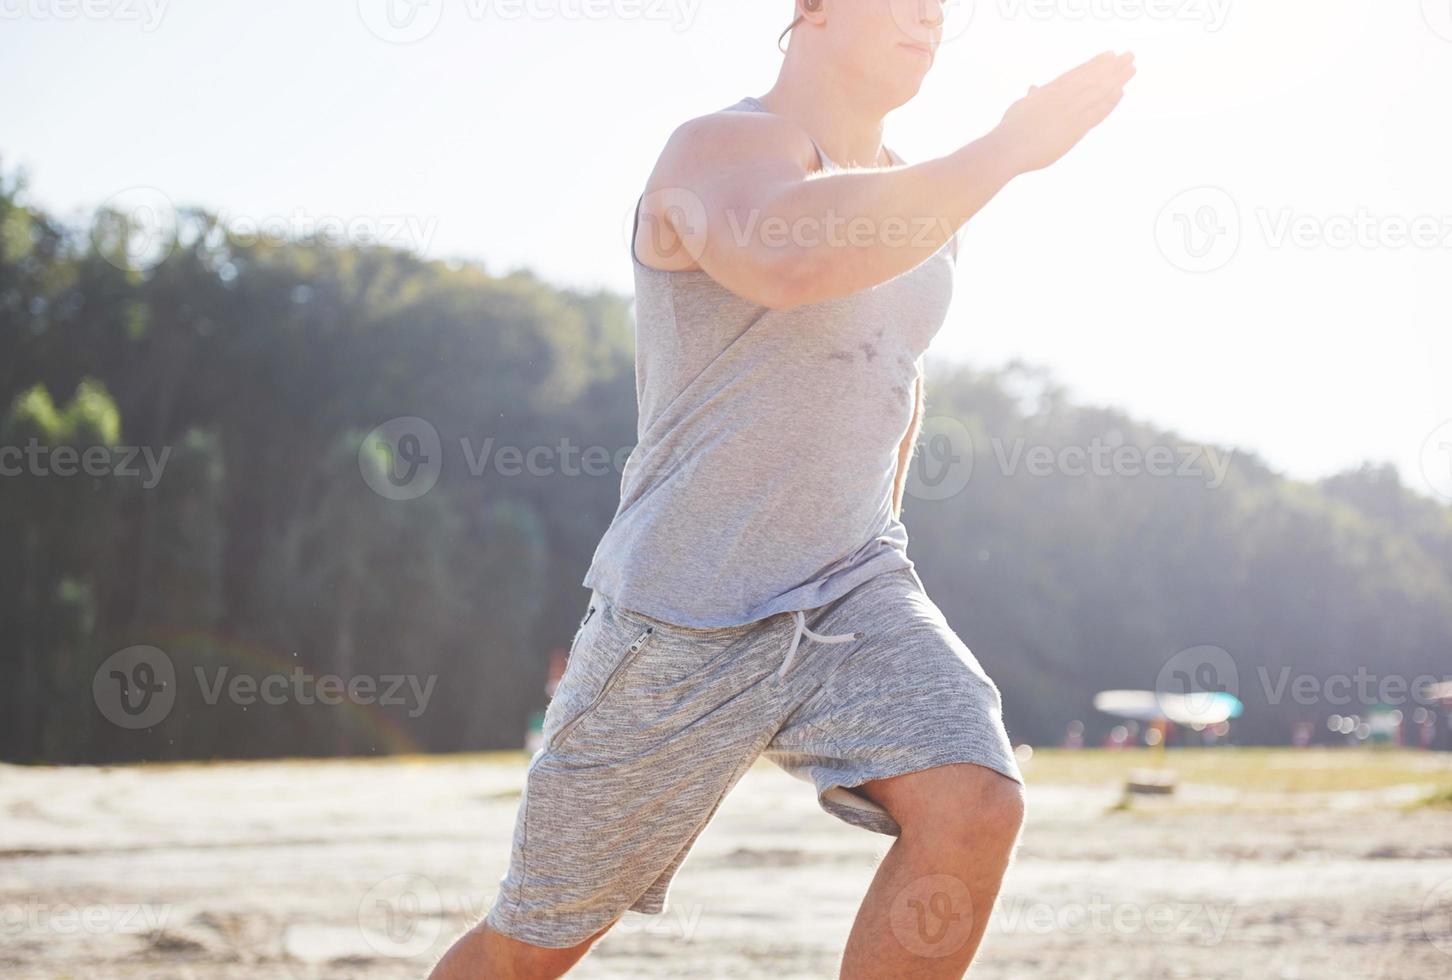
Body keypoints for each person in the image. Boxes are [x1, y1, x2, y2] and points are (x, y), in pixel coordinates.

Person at [430, 2, 1135, 976]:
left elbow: (894, 373)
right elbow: (789, 257)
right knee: (534, 942)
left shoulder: (925, 197)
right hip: (682, 610)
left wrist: (884, 544)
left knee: (974, 801)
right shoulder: (717, 147)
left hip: (852, 581)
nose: (933, 13)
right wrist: (1007, 149)